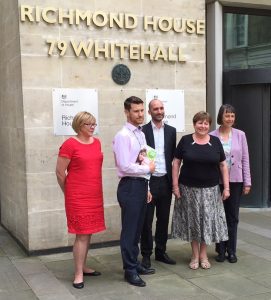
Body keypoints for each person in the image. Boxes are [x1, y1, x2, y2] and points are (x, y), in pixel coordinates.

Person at [172, 111, 229, 270]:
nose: (202, 126)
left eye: (206, 123)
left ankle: (203, 254)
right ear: (194, 123)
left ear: (209, 125)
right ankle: (194, 255)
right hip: (188, 189)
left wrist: (226, 188)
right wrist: (175, 186)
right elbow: (176, 163)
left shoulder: (216, 142)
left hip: (210, 190)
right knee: (193, 222)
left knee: (206, 222)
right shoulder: (185, 140)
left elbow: (223, 165)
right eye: (199, 123)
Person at [56, 111, 105, 289]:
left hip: (94, 195)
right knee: (81, 234)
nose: (93, 127)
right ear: (79, 126)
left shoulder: (97, 142)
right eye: (88, 124)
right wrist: (68, 193)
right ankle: (78, 273)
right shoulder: (69, 144)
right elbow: (60, 173)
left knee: (88, 232)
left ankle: (83, 266)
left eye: (94, 123)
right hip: (77, 196)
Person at [113, 96, 156, 287]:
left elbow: (143, 158)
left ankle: (135, 263)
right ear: (127, 112)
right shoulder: (123, 135)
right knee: (130, 231)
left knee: (138, 228)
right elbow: (124, 166)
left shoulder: (140, 133)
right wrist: (148, 170)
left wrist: (146, 185)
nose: (140, 114)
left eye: (141, 110)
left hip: (140, 185)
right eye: (136, 111)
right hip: (129, 186)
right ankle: (129, 270)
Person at [210, 104, 251, 263]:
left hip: (235, 181)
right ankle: (220, 249)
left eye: (232, 116)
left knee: (232, 217)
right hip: (217, 181)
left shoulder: (240, 135)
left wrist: (247, 182)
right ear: (221, 116)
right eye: (227, 116)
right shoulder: (213, 135)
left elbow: (246, 159)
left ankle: (231, 250)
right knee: (219, 216)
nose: (230, 119)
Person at [140, 98, 176, 269]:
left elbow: (172, 158)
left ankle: (161, 251)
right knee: (146, 221)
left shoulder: (171, 131)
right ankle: (146, 254)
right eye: (156, 108)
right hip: (149, 182)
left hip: (166, 181)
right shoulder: (142, 131)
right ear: (149, 112)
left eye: (161, 108)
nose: (159, 111)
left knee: (163, 219)